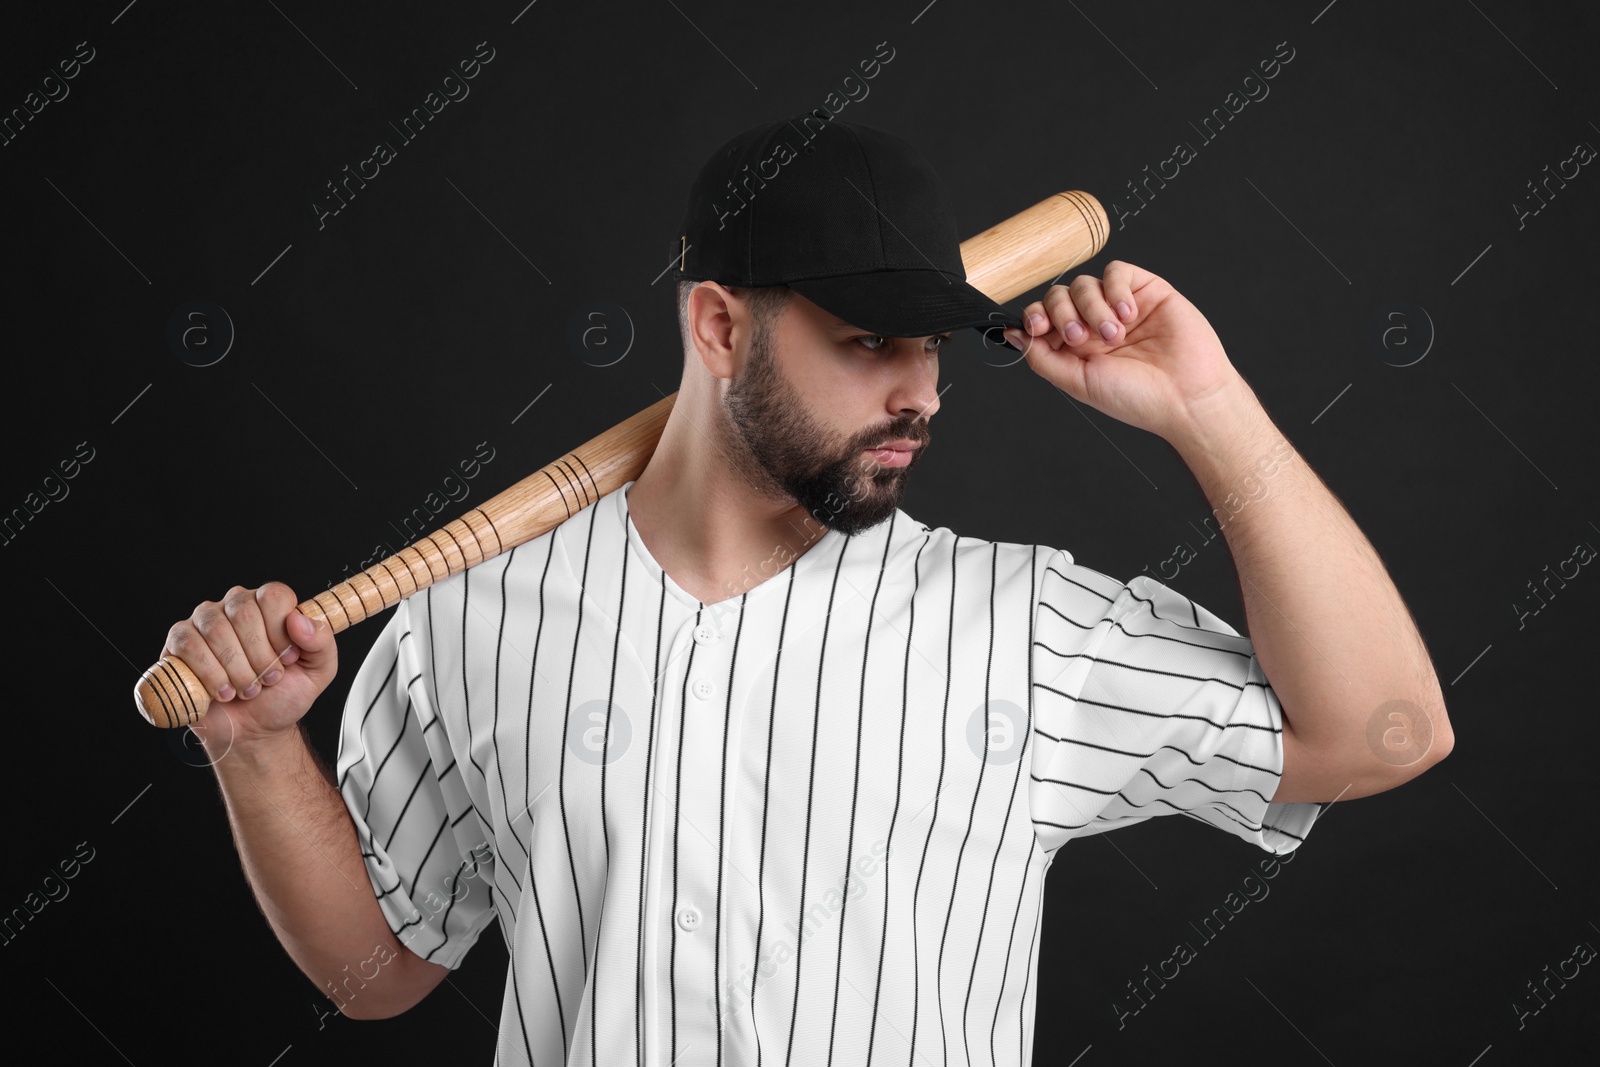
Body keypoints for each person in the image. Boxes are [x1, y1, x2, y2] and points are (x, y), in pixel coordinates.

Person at [165, 112, 1453, 1065]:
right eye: (867, 343)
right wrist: (263, 749)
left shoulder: (1022, 628)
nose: (923, 396)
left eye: (935, 349)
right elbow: (378, 974)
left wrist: (1207, 409)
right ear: (720, 326)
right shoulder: (467, 619)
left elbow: (1384, 732)